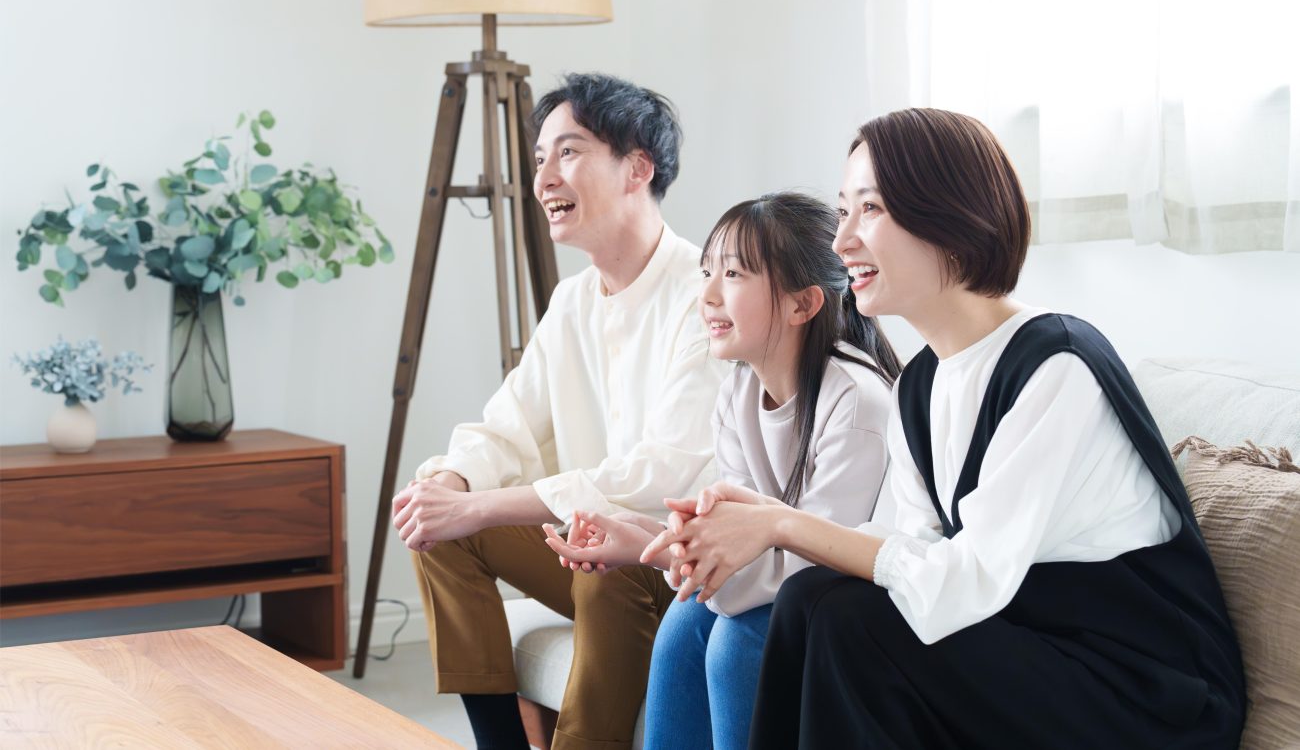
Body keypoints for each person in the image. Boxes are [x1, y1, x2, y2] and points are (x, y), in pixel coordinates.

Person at [642, 108, 1245, 749]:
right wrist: (754, 523)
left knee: (849, 618)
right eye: (843, 211)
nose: (842, 241)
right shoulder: (921, 384)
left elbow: (964, 580)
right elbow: (909, 545)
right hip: (1026, 649)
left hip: (1143, 691)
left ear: (949, 219)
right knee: (813, 600)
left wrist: (781, 524)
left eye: (869, 209)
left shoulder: (1057, 365)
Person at [391, 73, 729, 750]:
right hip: (584, 542)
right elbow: (506, 425)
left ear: (637, 168)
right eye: (540, 156)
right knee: (434, 513)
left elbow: (661, 474)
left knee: (605, 570)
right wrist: (450, 487)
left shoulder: (706, 295)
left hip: (671, 559)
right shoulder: (573, 301)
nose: (544, 177)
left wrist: (481, 507)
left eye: (568, 152)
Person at [543, 191, 900, 750]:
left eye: (732, 274)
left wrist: (666, 554)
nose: (707, 294)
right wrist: (645, 536)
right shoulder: (737, 390)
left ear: (803, 304)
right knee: (685, 623)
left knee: (737, 640)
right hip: (793, 588)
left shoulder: (856, 401)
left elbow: (815, 565)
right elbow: (736, 543)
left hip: (850, 604)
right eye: (707, 271)